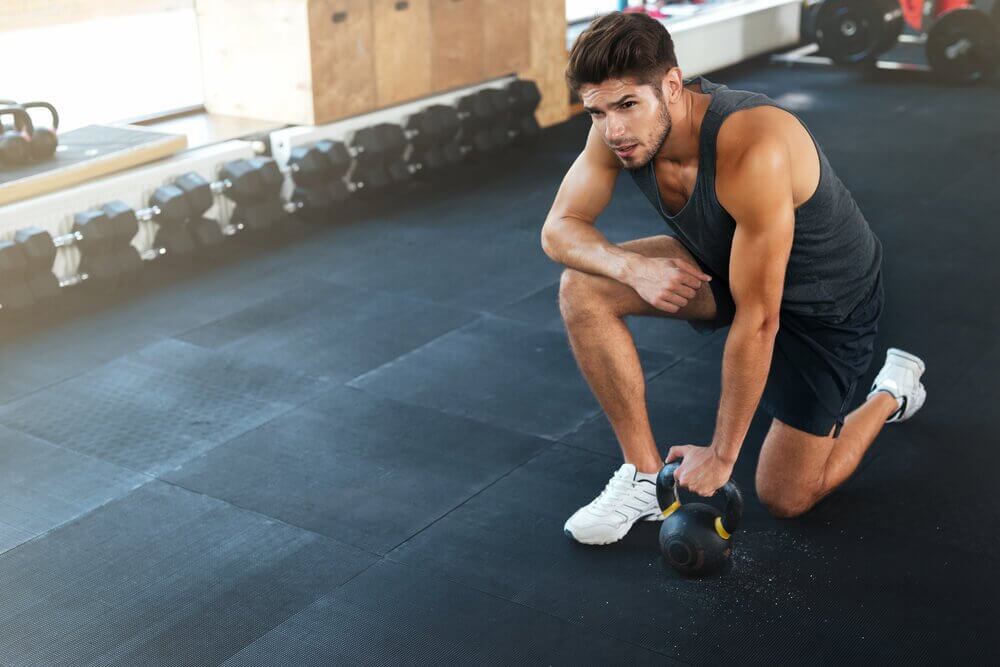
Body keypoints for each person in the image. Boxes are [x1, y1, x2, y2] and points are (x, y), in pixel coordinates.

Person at [542, 12, 927, 545]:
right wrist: (632, 267)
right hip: (726, 261)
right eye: (597, 111)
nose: (614, 130)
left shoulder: (754, 144)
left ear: (672, 86)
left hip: (825, 304)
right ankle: (644, 477)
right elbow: (559, 230)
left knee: (787, 496)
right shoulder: (612, 129)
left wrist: (723, 456)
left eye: (628, 105)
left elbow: (761, 318)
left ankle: (891, 391)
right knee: (582, 286)